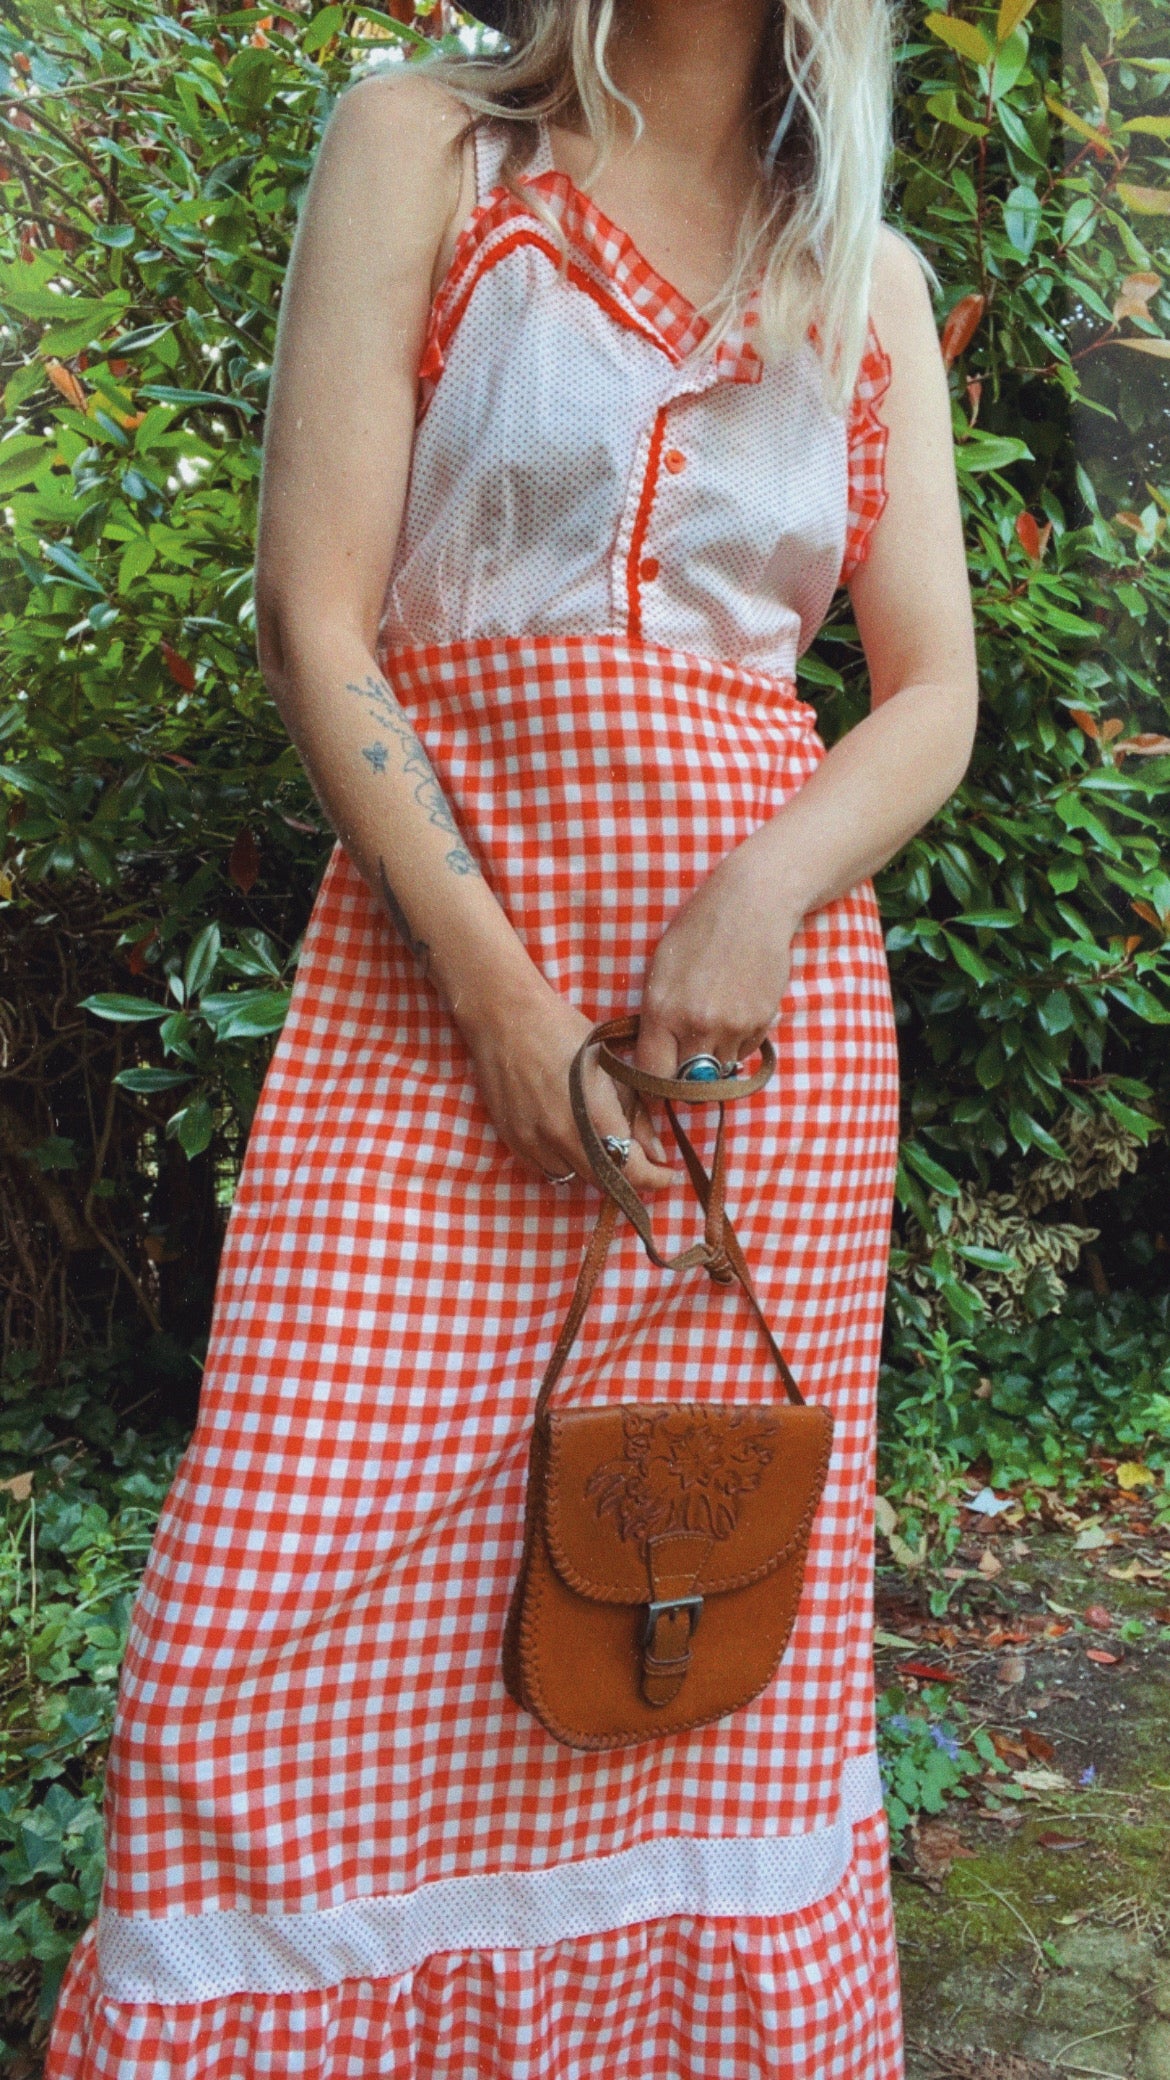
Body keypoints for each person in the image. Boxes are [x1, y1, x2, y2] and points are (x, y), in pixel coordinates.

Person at [47, 0, 977, 2073]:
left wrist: (759, 893)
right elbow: (316, 608)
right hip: (432, 999)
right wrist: (495, 996)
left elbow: (930, 695)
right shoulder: (433, 153)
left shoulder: (870, 274)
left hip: (756, 1060)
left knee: (693, 1602)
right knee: (254, 1633)